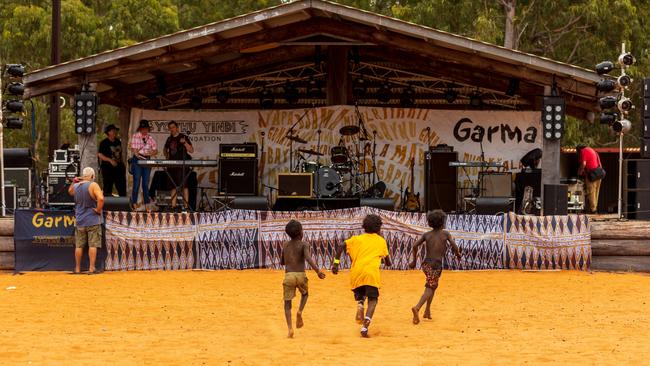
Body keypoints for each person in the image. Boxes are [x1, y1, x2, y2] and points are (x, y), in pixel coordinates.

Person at [332, 214, 391, 337]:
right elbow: (388, 261)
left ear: (364, 227)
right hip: (371, 274)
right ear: (379, 228)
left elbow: (341, 245)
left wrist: (336, 264)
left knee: (362, 293)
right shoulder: (381, 241)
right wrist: (386, 262)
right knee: (373, 300)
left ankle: (360, 303)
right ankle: (365, 326)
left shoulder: (356, 239)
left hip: (356, 274)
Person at [408, 210, 461, 324]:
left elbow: (415, 245)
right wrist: (458, 254)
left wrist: (414, 260)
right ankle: (417, 307)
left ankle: (427, 311)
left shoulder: (427, 234)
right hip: (435, 265)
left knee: (432, 286)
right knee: (430, 287)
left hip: (426, 264)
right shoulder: (445, 234)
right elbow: (454, 246)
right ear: (442, 222)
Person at [280, 220, 326, 338]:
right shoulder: (304, 244)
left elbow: (282, 262)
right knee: (305, 294)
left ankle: (290, 328)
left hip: (289, 276)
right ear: (301, 233)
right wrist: (318, 271)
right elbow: (309, 259)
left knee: (287, 303)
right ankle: (300, 311)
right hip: (301, 275)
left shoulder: (285, 245)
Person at [68, 167, 104, 274]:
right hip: (92, 219)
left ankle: (77, 268)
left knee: (79, 245)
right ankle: (91, 268)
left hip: (80, 220)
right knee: (93, 244)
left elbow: (70, 192)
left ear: (83, 176)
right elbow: (101, 199)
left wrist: (74, 181)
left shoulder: (76, 186)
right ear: (92, 176)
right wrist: (98, 210)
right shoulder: (93, 185)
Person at [163, 121, 194, 210]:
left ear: (177, 127)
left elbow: (191, 150)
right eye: (170, 128)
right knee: (173, 186)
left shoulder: (183, 137)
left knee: (184, 186)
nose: (171, 129)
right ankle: (173, 206)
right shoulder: (169, 139)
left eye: (173, 127)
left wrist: (185, 143)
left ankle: (186, 207)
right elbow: (165, 149)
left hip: (182, 166)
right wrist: (167, 155)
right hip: (172, 165)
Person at [130, 119, 158, 211]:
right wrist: (138, 154)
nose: (144, 131)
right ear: (140, 128)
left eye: (145, 129)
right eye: (142, 129)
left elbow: (155, 150)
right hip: (137, 160)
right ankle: (133, 203)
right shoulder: (135, 136)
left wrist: (150, 153)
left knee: (145, 184)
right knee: (136, 182)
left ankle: (147, 204)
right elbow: (134, 150)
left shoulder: (150, 138)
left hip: (147, 160)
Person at [97, 124, 127, 196]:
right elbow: (100, 155)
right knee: (108, 187)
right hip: (108, 168)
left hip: (119, 167)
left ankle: (122, 205)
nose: (115, 132)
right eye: (113, 130)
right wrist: (110, 160)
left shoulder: (118, 141)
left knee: (122, 187)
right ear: (108, 132)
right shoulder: (103, 143)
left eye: (115, 130)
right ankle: (107, 205)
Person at [576, 145, 603, 214]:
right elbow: (599, 164)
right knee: (596, 192)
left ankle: (593, 210)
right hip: (599, 173)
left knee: (591, 192)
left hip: (592, 174)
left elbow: (584, 164)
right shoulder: (592, 150)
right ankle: (594, 208)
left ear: (579, 150)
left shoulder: (583, 151)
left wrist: (580, 171)